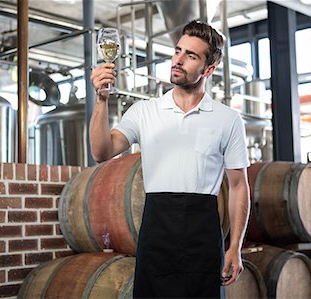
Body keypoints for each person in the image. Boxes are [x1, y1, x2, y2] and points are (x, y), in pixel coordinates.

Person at [90, 20, 250, 299]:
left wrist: (234, 246)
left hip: (203, 235)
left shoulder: (228, 119)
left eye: (191, 56)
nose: (177, 60)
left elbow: (239, 186)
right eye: (177, 51)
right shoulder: (144, 112)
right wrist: (101, 101)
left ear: (209, 69)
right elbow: (101, 152)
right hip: (156, 234)